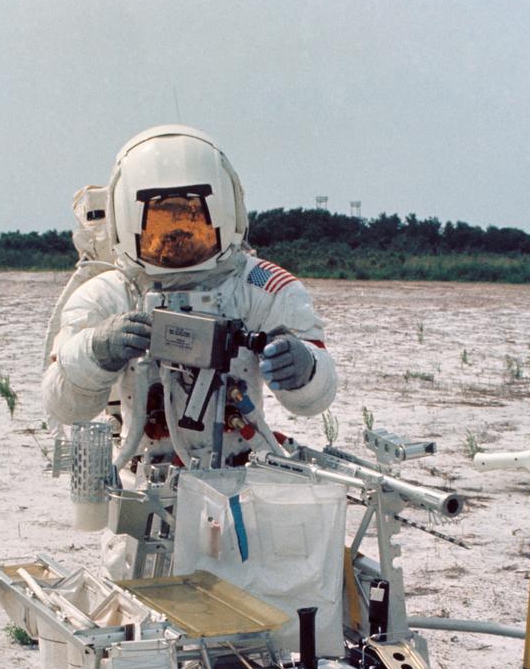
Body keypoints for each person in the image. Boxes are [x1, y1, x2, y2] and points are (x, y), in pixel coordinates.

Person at [42, 125, 337, 466]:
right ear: (127, 221)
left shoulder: (260, 286)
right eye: (160, 225)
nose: (176, 237)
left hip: (240, 470)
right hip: (140, 475)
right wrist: (95, 351)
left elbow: (313, 402)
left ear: (224, 211)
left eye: (190, 220)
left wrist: (304, 370)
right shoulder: (107, 295)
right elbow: (62, 405)